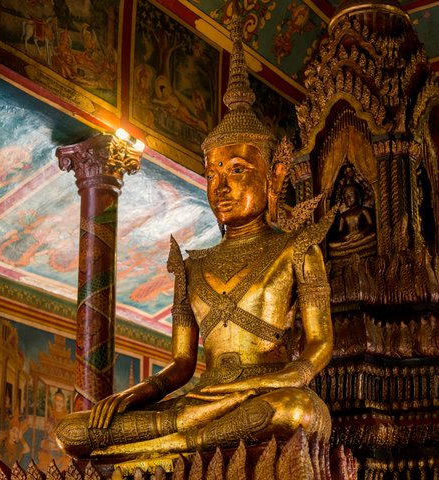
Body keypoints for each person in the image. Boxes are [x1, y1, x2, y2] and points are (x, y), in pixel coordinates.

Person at [55, 13, 334, 458]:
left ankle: (168, 449)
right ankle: (177, 444)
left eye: (238, 171)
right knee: (73, 431)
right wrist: (136, 393)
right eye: (212, 174)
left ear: (274, 177)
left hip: (266, 393)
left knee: (295, 411)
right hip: (199, 401)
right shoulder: (192, 266)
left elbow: (317, 350)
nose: (221, 187)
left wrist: (259, 383)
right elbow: (183, 366)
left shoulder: (296, 249)